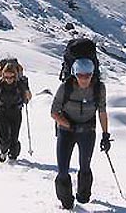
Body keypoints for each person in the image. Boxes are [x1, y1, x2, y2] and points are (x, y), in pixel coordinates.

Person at [51, 58, 110, 210]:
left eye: (88, 75)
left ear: (93, 74)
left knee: (85, 166)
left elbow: (102, 111)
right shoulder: (66, 87)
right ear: (75, 74)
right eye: (81, 75)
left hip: (87, 132)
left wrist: (105, 135)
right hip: (66, 132)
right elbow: (54, 112)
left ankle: (83, 196)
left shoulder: (99, 88)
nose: (84, 79)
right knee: (62, 170)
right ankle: (66, 201)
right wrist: (70, 125)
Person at [0, 60, 32, 162]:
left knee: (14, 137)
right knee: (3, 137)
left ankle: (13, 155)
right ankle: (3, 151)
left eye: (11, 77)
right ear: (3, 75)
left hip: (16, 112)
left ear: (15, 75)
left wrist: (26, 97)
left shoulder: (20, 84)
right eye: (6, 77)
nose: (9, 79)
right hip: (2, 112)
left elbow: (28, 96)